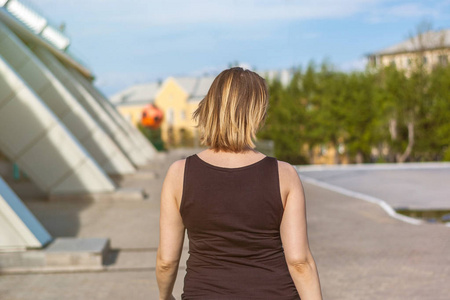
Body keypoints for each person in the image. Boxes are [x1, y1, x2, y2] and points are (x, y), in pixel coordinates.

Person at [156, 67, 322, 299]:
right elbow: (299, 262)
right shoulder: (283, 174)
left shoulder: (178, 174)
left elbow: (166, 261)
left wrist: (165, 297)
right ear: (255, 114)